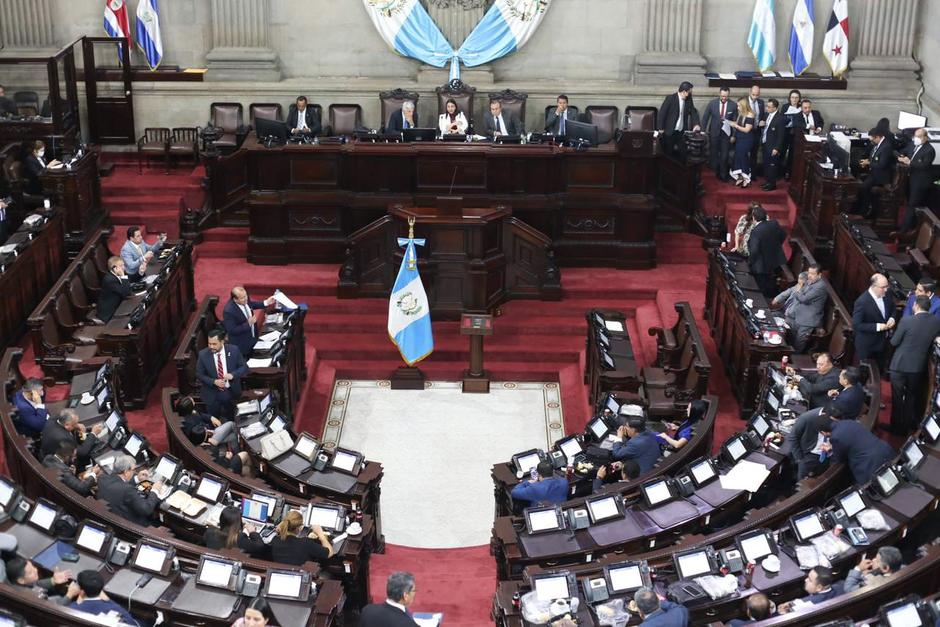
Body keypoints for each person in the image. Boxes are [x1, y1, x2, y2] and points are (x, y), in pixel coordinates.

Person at [887, 295, 940, 435]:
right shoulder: (936, 322)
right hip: (918, 367)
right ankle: (906, 427)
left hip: (899, 365)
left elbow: (894, 342)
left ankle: (895, 427)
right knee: (911, 397)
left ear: (916, 305)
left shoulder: (907, 320)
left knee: (897, 397)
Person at [818, 414, 895, 485]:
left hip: (870, 465)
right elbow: (852, 439)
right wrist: (834, 446)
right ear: (832, 419)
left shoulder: (835, 437)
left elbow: (839, 459)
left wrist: (830, 450)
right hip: (884, 449)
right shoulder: (848, 422)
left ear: (823, 432)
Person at [771, 264, 828, 352]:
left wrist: (799, 289)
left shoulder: (821, 287)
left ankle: (795, 361)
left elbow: (803, 299)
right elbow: (794, 289)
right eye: (809, 273)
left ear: (819, 275)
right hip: (797, 316)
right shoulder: (809, 281)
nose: (809, 275)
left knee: (798, 345)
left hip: (807, 321)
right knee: (789, 340)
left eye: (813, 274)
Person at [96, 454, 163, 527]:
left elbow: (119, 484)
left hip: (109, 517)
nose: (134, 472)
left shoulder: (102, 478)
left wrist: (137, 478)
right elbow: (146, 509)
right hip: (130, 525)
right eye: (133, 470)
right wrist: (155, 491)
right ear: (126, 471)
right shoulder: (128, 490)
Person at [196, 327, 249, 420]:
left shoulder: (234, 350)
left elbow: (244, 367)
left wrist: (233, 374)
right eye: (209, 343)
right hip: (212, 393)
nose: (211, 346)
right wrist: (214, 381)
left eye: (214, 344)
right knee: (213, 422)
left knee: (234, 419)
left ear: (222, 342)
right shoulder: (203, 355)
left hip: (231, 391)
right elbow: (199, 374)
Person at [897, 128, 937, 232]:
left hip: (920, 181)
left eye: (919, 137)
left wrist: (909, 162)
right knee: (908, 202)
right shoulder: (912, 144)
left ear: (925, 138)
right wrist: (900, 157)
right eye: (915, 136)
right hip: (910, 178)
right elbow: (902, 152)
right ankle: (911, 225)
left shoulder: (929, 150)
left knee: (912, 204)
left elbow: (924, 165)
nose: (916, 139)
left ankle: (903, 231)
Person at [67, 569, 139, 626]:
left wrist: (70, 594)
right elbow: (133, 624)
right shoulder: (117, 609)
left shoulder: (72, 609)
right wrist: (108, 600)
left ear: (81, 591)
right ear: (101, 588)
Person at [854, 127, 896, 218]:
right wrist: (867, 161)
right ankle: (858, 208)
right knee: (857, 183)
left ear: (877, 137)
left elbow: (882, 164)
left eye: (872, 139)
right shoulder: (878, 144)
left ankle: (865, 211)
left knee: (864, 187)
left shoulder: (886, 147)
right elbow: (874, 157)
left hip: (880, 177)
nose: (871, 141)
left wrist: (869, 163)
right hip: (873, 173)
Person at [852, 273, 895, 363]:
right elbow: (857, 325)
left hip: (883, 343)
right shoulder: (862, 302)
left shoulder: (888, 293)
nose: (886, 289)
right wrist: (877, 327)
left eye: (887, 286)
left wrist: (892, 318)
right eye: (883, 287)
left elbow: (893, 308)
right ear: (874, 286)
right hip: (868, 346)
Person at [746, 206, 787, 298]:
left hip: (761, 264)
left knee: (761, 287)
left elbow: (754, 251)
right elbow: (783, 235)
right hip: (775, 259)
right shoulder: (774, 223)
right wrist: (775, 246)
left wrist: (750, 262)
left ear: (754, 217)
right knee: (772, 282)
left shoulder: (756, 231)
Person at [223, 286, 275, 358]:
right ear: (235, 299)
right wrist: (248, 324)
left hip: (253, 338)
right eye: (242, 298)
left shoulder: (245, 299)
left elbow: (251, 304)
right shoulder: (229, 311)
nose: (245, 299)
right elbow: (232, 330)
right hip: (242, 346)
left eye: (246, 296)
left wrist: (266, 302)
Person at [701, 86, 737, 181]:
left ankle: (723, 174)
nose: (723, 98)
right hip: (714, 133)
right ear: (719, 94)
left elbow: (735, 122)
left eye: (725, 96)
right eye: (722, 96)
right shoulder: (712, 103)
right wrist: (702, 131)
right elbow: (705, 117)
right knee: (714, 154)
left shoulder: (733, 105)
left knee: (725, 155)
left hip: (726, 134)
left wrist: (733, 135)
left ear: (728, 95)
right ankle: (715, 172)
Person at [657, 81, 701, 157]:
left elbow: (693, 112)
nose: (690, 94)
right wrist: (660, 128)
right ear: (684, 92)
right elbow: (662, 113)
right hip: (669, 131)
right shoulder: (670, 98)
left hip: (681, 132)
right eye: (689, 92)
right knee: (668, 154)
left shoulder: (688, 99)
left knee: (682, 154)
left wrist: (696, 124)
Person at [4, 557, 72, 604]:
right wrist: (70, 595)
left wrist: (53, 580)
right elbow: (55, 607)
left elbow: (36, 585)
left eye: (33, 566)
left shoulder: (12, 580)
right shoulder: (32, 596)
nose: (35, 570)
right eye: (30, 572)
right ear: (21, 580)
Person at [96, 255, 133, 323]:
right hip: (110, 312)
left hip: (119, 304)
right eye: (121, 266)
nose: (123, 268)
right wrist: (123, 276)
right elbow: (126, 292)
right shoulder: (110, 280)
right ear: (114, 268)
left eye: (123, 265)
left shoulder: (118, 274)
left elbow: (128, 283)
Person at [728, 98, 755, 187]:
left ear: (744, 106)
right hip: (739, 139)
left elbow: (747, 129)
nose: (737, 107)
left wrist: (735, 125)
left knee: (743, 157)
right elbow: (739, 123)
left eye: (739, 105)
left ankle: (746, 178)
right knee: (738, 156)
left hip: (747, 139)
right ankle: (740, 177)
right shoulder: (740, 114)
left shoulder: (750, 115)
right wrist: (729, 122)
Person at [761, 98, 786, 191]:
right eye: (767, 106)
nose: (767, 108)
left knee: (772, 165)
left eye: (769, 107)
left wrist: (777, 148)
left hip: (773, 146)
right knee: (766, 164)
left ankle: (772, 184)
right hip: (765, 143)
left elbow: (781, 136)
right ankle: (767, 181)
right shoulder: (767, 115)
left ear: (775, 108)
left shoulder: (780, 118)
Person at [783, 89, 803, 176]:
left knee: (792, 154)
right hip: (785, 133)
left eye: (796, 98)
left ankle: (789, 172)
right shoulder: (785, 107)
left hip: (796, 134)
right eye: (792, 97)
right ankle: (780, 172)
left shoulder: (801, 107)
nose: (794, 100)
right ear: (789, 98)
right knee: (782, 152)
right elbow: (781, 119)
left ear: (799, 99)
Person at [746, 85, 765, 169]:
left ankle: (753, 173)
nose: (755, 97)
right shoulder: (744, 101)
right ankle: (744, 172)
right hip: (746, 131)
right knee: (745, 152)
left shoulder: (761, 102)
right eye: (753, 94)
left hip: (756, 131)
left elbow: (762, 115)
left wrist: (762, 121)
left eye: (757, 95)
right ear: (750, 92)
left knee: (754, 152)